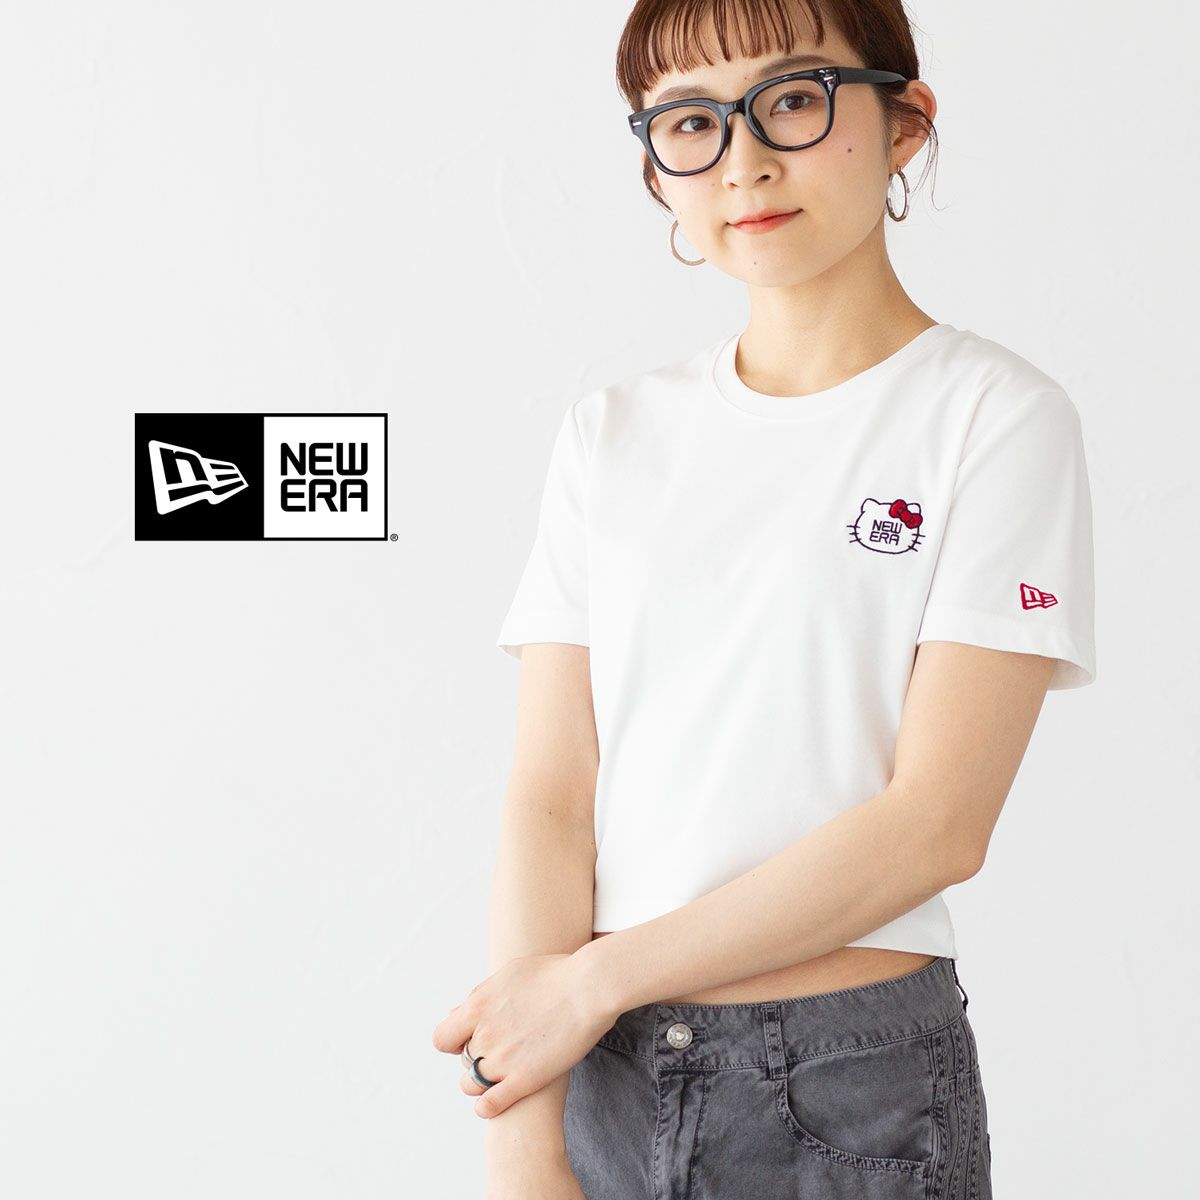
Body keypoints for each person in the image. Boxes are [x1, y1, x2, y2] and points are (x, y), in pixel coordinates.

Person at [432, 2, 1096, 1197]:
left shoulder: (992, 418)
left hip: (848, 1094)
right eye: (692, 122)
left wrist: (596, 980)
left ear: (905, 123)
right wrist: (522, 1150)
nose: (743, 160)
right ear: (657, 169)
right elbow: (551, 800)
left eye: (793, 99)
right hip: (602, 1079)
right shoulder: (610, 436)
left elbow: (937, 823)